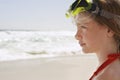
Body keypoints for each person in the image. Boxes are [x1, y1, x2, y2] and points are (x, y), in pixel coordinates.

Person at [66, 0, 120, 80]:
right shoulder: (111, 67)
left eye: (83, 27)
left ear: (109, 30)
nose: (77, 36)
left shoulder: (107, 75)